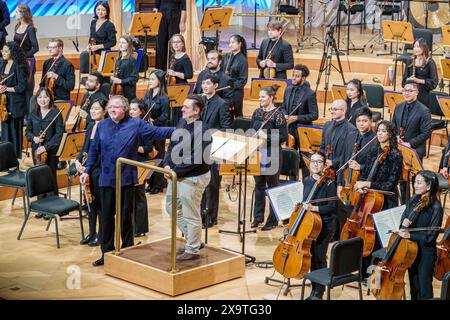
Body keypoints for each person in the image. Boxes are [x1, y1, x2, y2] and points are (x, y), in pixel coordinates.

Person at [80, 95, 174, 267]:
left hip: (126, 179)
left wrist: (182, 129)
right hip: (106, 179)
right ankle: (106, 253)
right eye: (110, 107)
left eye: (116, 107)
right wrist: (87, 170)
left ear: (124, 109)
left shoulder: (135, 124)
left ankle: (128, 252)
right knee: (107, 218)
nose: (112, 110)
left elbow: (157, 132)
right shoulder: (102, 126)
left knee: (125, 217)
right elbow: (93, 150)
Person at [163, 95, 211, 261]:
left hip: (193, 177)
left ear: (196, 111)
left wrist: (174, 171)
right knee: (171, 207)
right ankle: (195, 239)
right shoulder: (183, 122)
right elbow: (172, 146)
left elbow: (195, 160)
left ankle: (192, 249)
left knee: (191, 214)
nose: (182, 109)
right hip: (176, 173)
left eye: (186, 107)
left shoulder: (202, 130)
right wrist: (167, 164)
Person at [398, 170, 443, 300]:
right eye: (415, 182)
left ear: (429, 186)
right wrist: (403, 224)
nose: (415, 186)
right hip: (411, 252)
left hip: (426, 254)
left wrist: (410, 236)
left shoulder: (436, 207)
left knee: (424, 290)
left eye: (419, 183)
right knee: (414, 288)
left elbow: (430, 237)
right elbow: (404, 219)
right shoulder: (413, 200)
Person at [250, 85, 288, 231]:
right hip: (258, 152)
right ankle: (257, 218)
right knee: (259, 185)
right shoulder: (257, 112)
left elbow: (283, 137)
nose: (260, 99)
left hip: (272, 153)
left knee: (272, 187)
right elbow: (251, 130)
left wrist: (267, 136)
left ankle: (272, 220)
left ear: (271, 97)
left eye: (263, 97)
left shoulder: (278, 115)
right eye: (259, 97)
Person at [336, 107, 377, 237]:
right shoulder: (350, 136)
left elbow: (375, 165)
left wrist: (361, 166)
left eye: (364, 120)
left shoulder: (375, 141)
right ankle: (342, 235)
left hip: (363, 183)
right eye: (359, 121)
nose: (361, 123)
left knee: (357, 213)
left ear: (371, 121)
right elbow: (343, 159)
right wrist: (340, 183)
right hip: (348, 183)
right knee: (342, 210)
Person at [199, 73, 233, 228]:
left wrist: (208, 134)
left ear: (216, 86)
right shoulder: (199, 102)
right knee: (200, 183)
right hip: (199, 147)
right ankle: (200, 214)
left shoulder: (222, 103)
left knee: (212, 185)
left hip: (214, 148)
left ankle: (211, 216)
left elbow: (226, 128)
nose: (205, 86)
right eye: (203, 84)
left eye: (208, 83)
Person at [302, 152, 337, 300]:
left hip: (325, 224)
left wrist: (315, 209)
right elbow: (305, 200)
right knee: (311, 256)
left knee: (319, 257)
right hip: (310, 224)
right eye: (313, 161)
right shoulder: (307, 180)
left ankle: (319, 291)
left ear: (324, 165)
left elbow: (332, 206)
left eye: (319, 162)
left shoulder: (329, 183)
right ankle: (314, 287)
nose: (315, 164)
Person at [392, 81, 432, 204]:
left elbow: (426, 133)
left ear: (417, 92)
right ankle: (403, 204)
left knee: (416, 183)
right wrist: (396, 137)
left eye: (410, 91)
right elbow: (393, 126)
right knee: (401, 181)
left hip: (414, 150)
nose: (407, 93)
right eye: (405, 90)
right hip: (399, 149)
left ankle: (414, 206)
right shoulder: (398, 107)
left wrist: (410, 144)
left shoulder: (424, 110)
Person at [75, 99, 107, 247]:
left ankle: (101, 235)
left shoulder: (106, 127)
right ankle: (92, 232)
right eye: (92, 109)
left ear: (104, 111)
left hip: (99, 170)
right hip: (88, 169)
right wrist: (77, 161)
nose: (93, 111)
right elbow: (85, 148)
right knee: (90, 203)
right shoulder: (90, 126)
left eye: (97, 109)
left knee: (99, 204)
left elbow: (102, 153)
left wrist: (88, 166)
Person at [26, 87, 64, 207]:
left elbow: (59, 135)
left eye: (45, 97)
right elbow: (28, 131)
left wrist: (45, 147)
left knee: (50, 176)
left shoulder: (56, 113)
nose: (43, 100)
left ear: (50, 98)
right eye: (40, 97)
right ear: (36, 99)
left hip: (51, 151)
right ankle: (42, 205)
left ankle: (53, 205)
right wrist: (34, 138)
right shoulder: (33, 113)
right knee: (39, 176)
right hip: (36, 150)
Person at [281, 64, 318, 178]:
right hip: (289, 129)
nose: (293, 78)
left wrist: (296, 118)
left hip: (303, 131)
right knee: (291, 158)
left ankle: (306, 182)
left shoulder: (310, 93)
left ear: (303, 78)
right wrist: (285, 115)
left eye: (297, 76)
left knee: (304, 159)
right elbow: (283, 107)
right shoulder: (287, 89)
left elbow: (314, 115)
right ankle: (293, 182)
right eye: (293, 75)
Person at [129, 98, 154, 237]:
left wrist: (133, 148)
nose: (131, 112)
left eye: (134, 109)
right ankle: (131, 225)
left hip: (140, 163)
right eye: (130, 109)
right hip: (129, 162)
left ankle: (140, 228)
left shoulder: (145, 126)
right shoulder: (127, 124)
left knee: (139, 195)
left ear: (141, 112)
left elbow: (148, 148)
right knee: (130, 195)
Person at [143, 69, 170, 195]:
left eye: (153, 79)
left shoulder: (164, 98)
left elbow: (166, 116)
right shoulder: (147, 94)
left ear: (160, 81)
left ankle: (158, 185)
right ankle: (150, 182)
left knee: (159, 156)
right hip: (148, 129)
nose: (150, 81)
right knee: (150, 155)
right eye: (149, 79)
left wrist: (155, 120)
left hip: (159, 130)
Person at [320, 99, 358, 186]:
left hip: (340, 171)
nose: (332, 112)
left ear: (344, 110)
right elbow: (323, 147)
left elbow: (349, 155)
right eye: (331, 109)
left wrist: (333, 162)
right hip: (325, 170)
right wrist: (322, 160)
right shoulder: (327, 125)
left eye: (335, 109)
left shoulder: (351, 130)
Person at [0, 41, 28, 159]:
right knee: (5, 132)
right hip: (4, 104)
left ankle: (15, 160)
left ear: (13, 52)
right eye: (3, 51)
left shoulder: (19, 66)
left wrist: (7, 88)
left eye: (6, 51)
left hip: (15, 104)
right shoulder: (2, 64)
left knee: (15, 133)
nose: (3, 53)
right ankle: (7, 159)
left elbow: (22, 87)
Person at [13, 4, 38, 118]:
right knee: (20, 87)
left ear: (23, 13)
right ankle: (21, 114)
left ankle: (28, 117)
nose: (15, 14)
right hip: (18, 61)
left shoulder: (30, 29)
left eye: (17, 12)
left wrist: (24, 56)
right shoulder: (17, 26)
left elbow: (35, 47)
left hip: (28, 62)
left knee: (28, 89)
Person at [401, 38, 438, 107]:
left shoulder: (430, 62)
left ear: (424, 48)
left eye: (418, 47)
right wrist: (408, 80)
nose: (415, 49)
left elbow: (434, 83)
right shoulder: (410, 61)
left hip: (423, 96)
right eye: (414, 47)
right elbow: (403, 80)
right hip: (410, 95)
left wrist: (418, 81)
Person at [154, 0, 186, 72]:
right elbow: (156, 6)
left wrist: (182, 22)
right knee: (160, 44)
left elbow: (184, 8)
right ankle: (160, 70)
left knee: (174, 44)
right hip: (161, 17)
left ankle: (172, 69)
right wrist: (154, 20)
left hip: (175, 17)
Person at [221, 35, 248, 117]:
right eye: (229, 43)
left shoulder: (242, 60)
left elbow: (243, 80)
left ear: (239, 44)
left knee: (237, 114)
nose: (230, 45)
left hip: (236, 93)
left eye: (233, 42)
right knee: (226, 114)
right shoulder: (226, 56)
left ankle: (239, 130)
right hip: (225, 91)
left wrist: (231, 85)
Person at [110, 35, 138, 102]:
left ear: (129, 45)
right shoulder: (118, 59)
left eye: (123, 43)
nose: (120, 45)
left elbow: (135, 78)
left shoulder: (131, 59)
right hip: (118, 91)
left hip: (128, 92)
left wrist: (121, 81)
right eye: (120, 42)